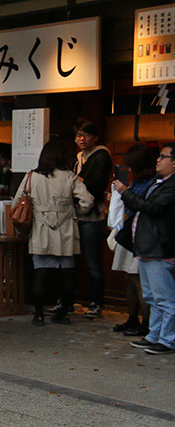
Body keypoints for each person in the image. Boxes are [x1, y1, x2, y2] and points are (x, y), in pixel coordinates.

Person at [21, 140, 94, 326]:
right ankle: (63, 313)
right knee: (67, 274)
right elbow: (87, 200)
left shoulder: (32, 176)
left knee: (40, 272)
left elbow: (17, 202)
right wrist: (76, 212)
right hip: (65, 229)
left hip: (41, 228)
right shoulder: (69, 176)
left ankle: (38, 315)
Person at [114, 141, 175, 354]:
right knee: (152, 296)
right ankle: (154, 335)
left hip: (159, 248)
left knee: (165, 298)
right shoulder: (159, 182)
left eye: (163, 157)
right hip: (147, 246)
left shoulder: (171, 186)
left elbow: (153, 208)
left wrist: (125, 192)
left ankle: (168, 339)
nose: (158, 160)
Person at [110, 144, 157, 338]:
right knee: (128, 278)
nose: (129, 169)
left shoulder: (153, 184)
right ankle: (132, 317)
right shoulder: (137, 181)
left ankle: (146, 323)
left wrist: (124, 193)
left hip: (142, 235)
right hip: (129, 234)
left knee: (138, 280)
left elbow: (140, 206)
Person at [73, 120, 111, 318]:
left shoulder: (101, 155)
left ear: (95, 137)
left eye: (85, 135)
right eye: (78, 135)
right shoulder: (79, 157)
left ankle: (96, 302)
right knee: (74, 260)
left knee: (93, 261)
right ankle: (74, 299)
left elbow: (95, 184)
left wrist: (75, 179)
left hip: (93, 217)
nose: (81, 139)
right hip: (77, 215)